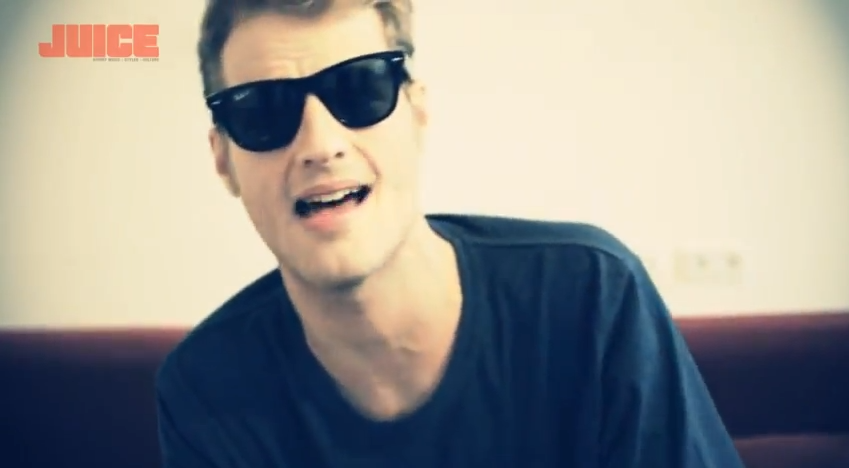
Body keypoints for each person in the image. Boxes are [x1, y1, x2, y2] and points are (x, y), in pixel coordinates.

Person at [155, 0, 746, 466]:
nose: (321, 144)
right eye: (261, 112)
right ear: (222, 160)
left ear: (417, 114)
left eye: (361, 89)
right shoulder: (205, 388)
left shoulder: (591, 297)